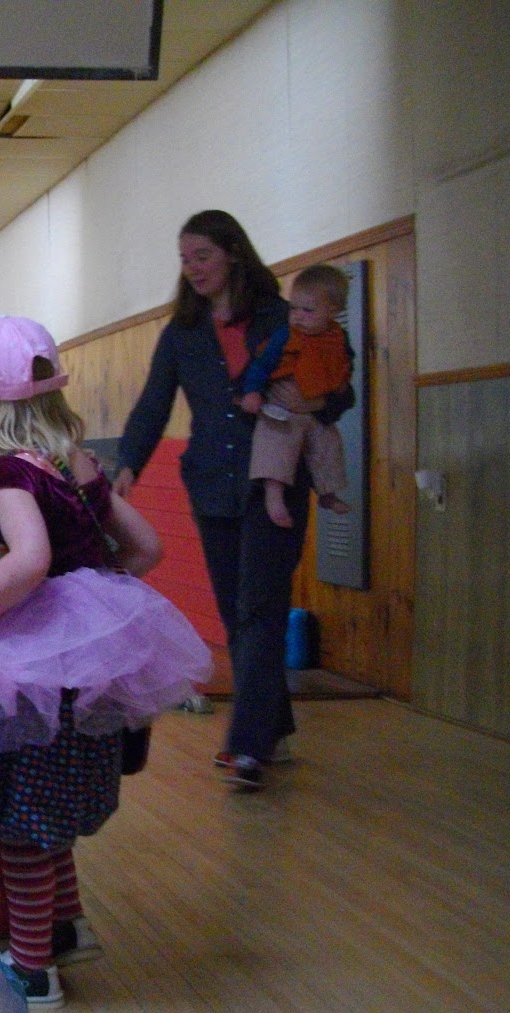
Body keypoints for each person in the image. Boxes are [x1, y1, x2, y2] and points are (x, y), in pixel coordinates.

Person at [0, 317, 211, 1006]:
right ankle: (64, 927)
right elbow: (146, 549)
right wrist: (90, 585)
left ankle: (33, 971)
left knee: (21, 823)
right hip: (81, 660)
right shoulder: (77, 460)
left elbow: (27, 562)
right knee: (44, 811)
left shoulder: (8, 472)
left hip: (30, 663)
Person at [113, 211, 353, 791]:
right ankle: (275, 722)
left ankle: (247, 748)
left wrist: (317, 406)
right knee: (234, 609)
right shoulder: (182, 332)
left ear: (232, 255)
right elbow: (153, 403)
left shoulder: (279, 316)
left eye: (202, 255)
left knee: (258, 606)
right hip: (212, 481)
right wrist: (126, 467)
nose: (191, 268)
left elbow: (336, 381)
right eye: (184, 258)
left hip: (274, 479)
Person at [238, 264, 353, 528]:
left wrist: (336, 392)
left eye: (308, 311)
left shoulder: (337, 338)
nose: (298, 316)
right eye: (294, 308)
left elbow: (343, 374)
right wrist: (253, 391)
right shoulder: (284, 336)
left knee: (328, 444)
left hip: (314, 408)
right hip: (280, 406)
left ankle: (328, 493)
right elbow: (262, 364)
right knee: (275, 441)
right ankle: (273, 494)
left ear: (332, 312)